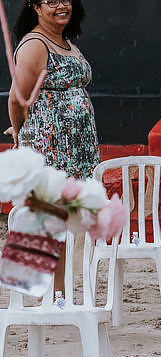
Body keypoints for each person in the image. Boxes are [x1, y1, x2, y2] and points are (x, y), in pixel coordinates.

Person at [7, 0, 100, 308]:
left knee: (69, 217)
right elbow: (18, 97)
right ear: (35, 7)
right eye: (51, 1)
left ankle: (56, 292)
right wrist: (20, 132)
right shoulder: (35, 44)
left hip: (79, 147)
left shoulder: (64, 41)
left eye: (66, 0)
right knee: (52, 217)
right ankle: (51, 294)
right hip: (53, 146)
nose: (61, 6)